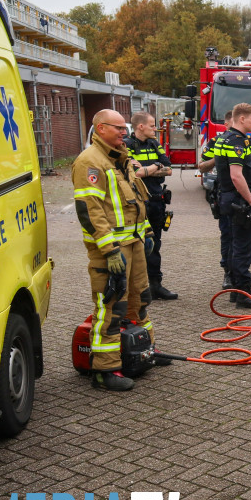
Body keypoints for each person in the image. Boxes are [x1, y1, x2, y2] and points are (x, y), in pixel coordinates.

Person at [71, 109, 156, 391]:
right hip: (111, 252)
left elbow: (135, 201)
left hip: (134, 244)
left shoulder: (121, 158)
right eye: (118, 128)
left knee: (140, 299)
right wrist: (109, 250)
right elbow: (90, 211)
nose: (124, 132)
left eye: (124, 128)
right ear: (100, 128)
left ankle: (144, 352)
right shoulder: (89, 162)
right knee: (110, 308)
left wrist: (149, 233)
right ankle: (105, 370)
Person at [214, 103, 251, 309]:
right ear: (242, 119)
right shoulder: (236, 141)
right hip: (238, 200)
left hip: (229, 199)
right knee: (242, 248)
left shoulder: (226, 138)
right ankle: (243, 294)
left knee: (235, 245)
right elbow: (236, 176)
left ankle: (238, 291)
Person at [125, 112, 177, 300]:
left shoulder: (155, 143)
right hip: (137, 203)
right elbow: (134, 174)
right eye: (152, 125)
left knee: (155, 244)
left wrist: (149, 169)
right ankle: (139, 289)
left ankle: (156, 286)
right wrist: (155, 167)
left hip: (157, 201)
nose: (155, 129)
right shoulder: (127, 145)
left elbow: (169, 169)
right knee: (139, 245)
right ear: (140, 127)